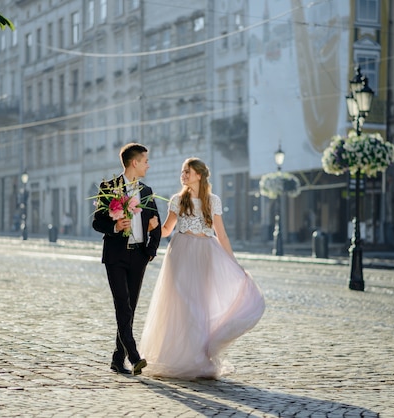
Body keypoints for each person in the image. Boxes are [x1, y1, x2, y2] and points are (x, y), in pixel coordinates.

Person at [139, 157, 265, 379]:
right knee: (182, 304)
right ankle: (177, 356)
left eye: (187, 171)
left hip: (205, 252)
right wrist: (153, 226)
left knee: (200, 305)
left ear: (199, 174)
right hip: (181, 252)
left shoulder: (212, 200)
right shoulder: (177, 200)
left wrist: (234, 263)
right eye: (182, 172)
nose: (183, 175)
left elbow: (221, 234)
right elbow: (168, 229)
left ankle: (197, 358)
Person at [92, 143, 162, 376]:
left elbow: (157, 226)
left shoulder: (147, 191)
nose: (148, 165)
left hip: (139, 257)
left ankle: (116, 358)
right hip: (116, 256)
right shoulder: (109, 187)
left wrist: (150, 251)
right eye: (145, 161)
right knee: (122, 305)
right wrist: (114, 225)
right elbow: (97, 222)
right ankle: (133, 355)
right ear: (134, 162)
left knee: (129, 309)